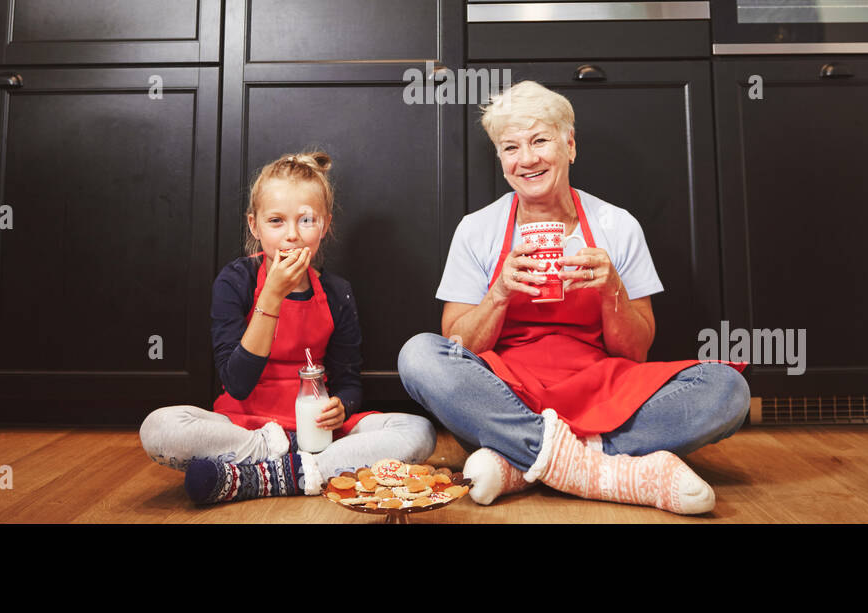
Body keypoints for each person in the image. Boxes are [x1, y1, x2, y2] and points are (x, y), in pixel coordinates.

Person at [398, 81, 749, 515]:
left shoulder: (616, 226)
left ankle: (520, 460)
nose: (526, 159)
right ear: (501, 159)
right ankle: (598, 467)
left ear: (570, 145)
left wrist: (612, 288)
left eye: (540, 140)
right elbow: (458, 347)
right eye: (511, 147)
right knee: (418, 355)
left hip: (602, 391)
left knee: (728, 389)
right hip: (506, 392)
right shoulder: (477, 229)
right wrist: (500, 292)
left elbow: (636, 351)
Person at [140, 150, 435, 504]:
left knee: (418, 431)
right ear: (254, 225)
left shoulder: (337, 292)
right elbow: (236, 382)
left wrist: (342, 404)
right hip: (248, 428)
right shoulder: (235, 281)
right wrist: (272, 296)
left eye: (306, 220)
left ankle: (266, 476)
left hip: (319, 431)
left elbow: (348, 381)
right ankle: (303, 468)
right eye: (276, 221)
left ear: (325, 225)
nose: (292, 235)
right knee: (160, 427)